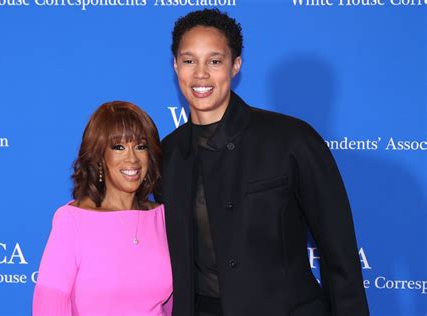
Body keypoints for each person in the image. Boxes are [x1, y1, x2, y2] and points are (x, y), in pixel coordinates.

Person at [157, 9, 369, 316]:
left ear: (235, 65)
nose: (200, 73)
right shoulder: (168, 155)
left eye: (214, 61)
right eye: (189, 60)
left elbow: (341, 257)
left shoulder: (292, 140)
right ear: (176, 65)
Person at [33, 101, 173, 315]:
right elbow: (49, 308)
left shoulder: (162, 217)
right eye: (119, 147)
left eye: (140, 146)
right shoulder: (72, 221)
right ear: (99, 156)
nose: (132, 158)